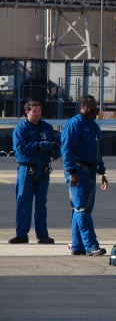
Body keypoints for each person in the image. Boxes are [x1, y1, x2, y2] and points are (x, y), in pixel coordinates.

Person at [61, 95, 108, 256]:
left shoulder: (94, 126)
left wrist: (101, 171)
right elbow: (66, 149)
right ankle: (91, 245)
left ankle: (77, 245)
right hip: (78, 170)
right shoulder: (74, 124)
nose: (96, 108)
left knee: (80, 209)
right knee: (82, 208)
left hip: (90, 171)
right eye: (92, 106)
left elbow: (97, 151)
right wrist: (72, 172)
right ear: (82, 106)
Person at [9, 101, 60, 244]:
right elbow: (20, 148)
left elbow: (55, 144)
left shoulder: (48, 128)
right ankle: (21, 234)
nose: (37, 114)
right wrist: (38, 145)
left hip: (43, 169)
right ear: (27, 112)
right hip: (27, 168)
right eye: (34, 111)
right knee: (23, 201)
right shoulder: (21, 129)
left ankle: (42, 235)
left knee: (41, 203)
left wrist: (55, 151)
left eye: (39, 111)